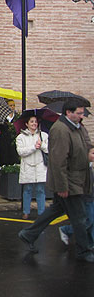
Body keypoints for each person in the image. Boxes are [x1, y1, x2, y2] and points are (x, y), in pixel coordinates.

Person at [18, 100, 94, 262]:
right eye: (79, 113)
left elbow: (85, 146)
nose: (82, 116)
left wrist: (90, 151)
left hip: (77, 179)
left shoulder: (77, 127)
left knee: (56, 210)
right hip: (69, 181)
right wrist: (62, 186)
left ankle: (28, 234)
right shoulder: (60, 130)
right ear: (68, 112)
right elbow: (58, 161)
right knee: (80, 217)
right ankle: (84, 251)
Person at [59, 147, 94, 247]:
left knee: (91, 221)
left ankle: (91, 243)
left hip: (90, 197)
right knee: (88, 221)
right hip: (85, 197)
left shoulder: (90, 166)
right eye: (93, 153)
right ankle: (66, 230)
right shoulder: (82, 167)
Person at [15, 115, 48, 219]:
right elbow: (21, 151)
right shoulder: (21, 137)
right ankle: (26, 211)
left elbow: (49, 149)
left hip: (40, 165)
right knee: (27, 190)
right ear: (27, 124)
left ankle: (42, 212)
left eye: (36, 122)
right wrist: (34, 147)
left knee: (40, 190)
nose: (34, 124)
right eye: (32, 121)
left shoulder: (44, 135)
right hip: (28, 166)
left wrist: (41, 145)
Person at [0, 99, 20, 166]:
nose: (12, 107)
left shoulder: (17, 117)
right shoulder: (2, 117)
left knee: (14, 159)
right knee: (4, 159)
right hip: (4, 141)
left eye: (13, 105)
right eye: (10, 105)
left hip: (13, 141)